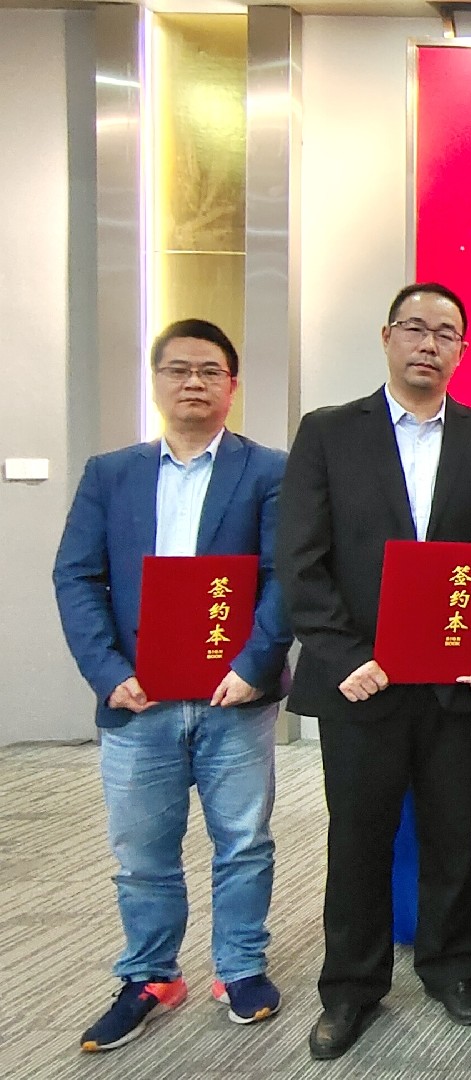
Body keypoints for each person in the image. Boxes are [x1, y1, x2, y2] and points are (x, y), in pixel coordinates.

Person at [278, 282, 471, 1060]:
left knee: (454, 833)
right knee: (358, 839)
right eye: (415, 328)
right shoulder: (328, 433)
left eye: (445, 333)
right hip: (363, 682)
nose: (428, 344)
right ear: (387, 337)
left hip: (457, 682)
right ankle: (351, 987)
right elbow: (301, 560)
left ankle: (452, 968)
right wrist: (343, 657)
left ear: (462, 351)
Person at [54, 319, 292, 1051]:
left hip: (234, 697)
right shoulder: (111, 473)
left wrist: (254, 665)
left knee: (243, 840)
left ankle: (240, 967)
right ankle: (150, 975)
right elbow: (77, 577)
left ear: (232, 386)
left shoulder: (269, 470)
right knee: (142, 852)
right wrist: (108, 673)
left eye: (210, 371)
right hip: (140, 699)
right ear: (155, 381)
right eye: (179, 369)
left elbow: (285, 577)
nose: (194, 382)